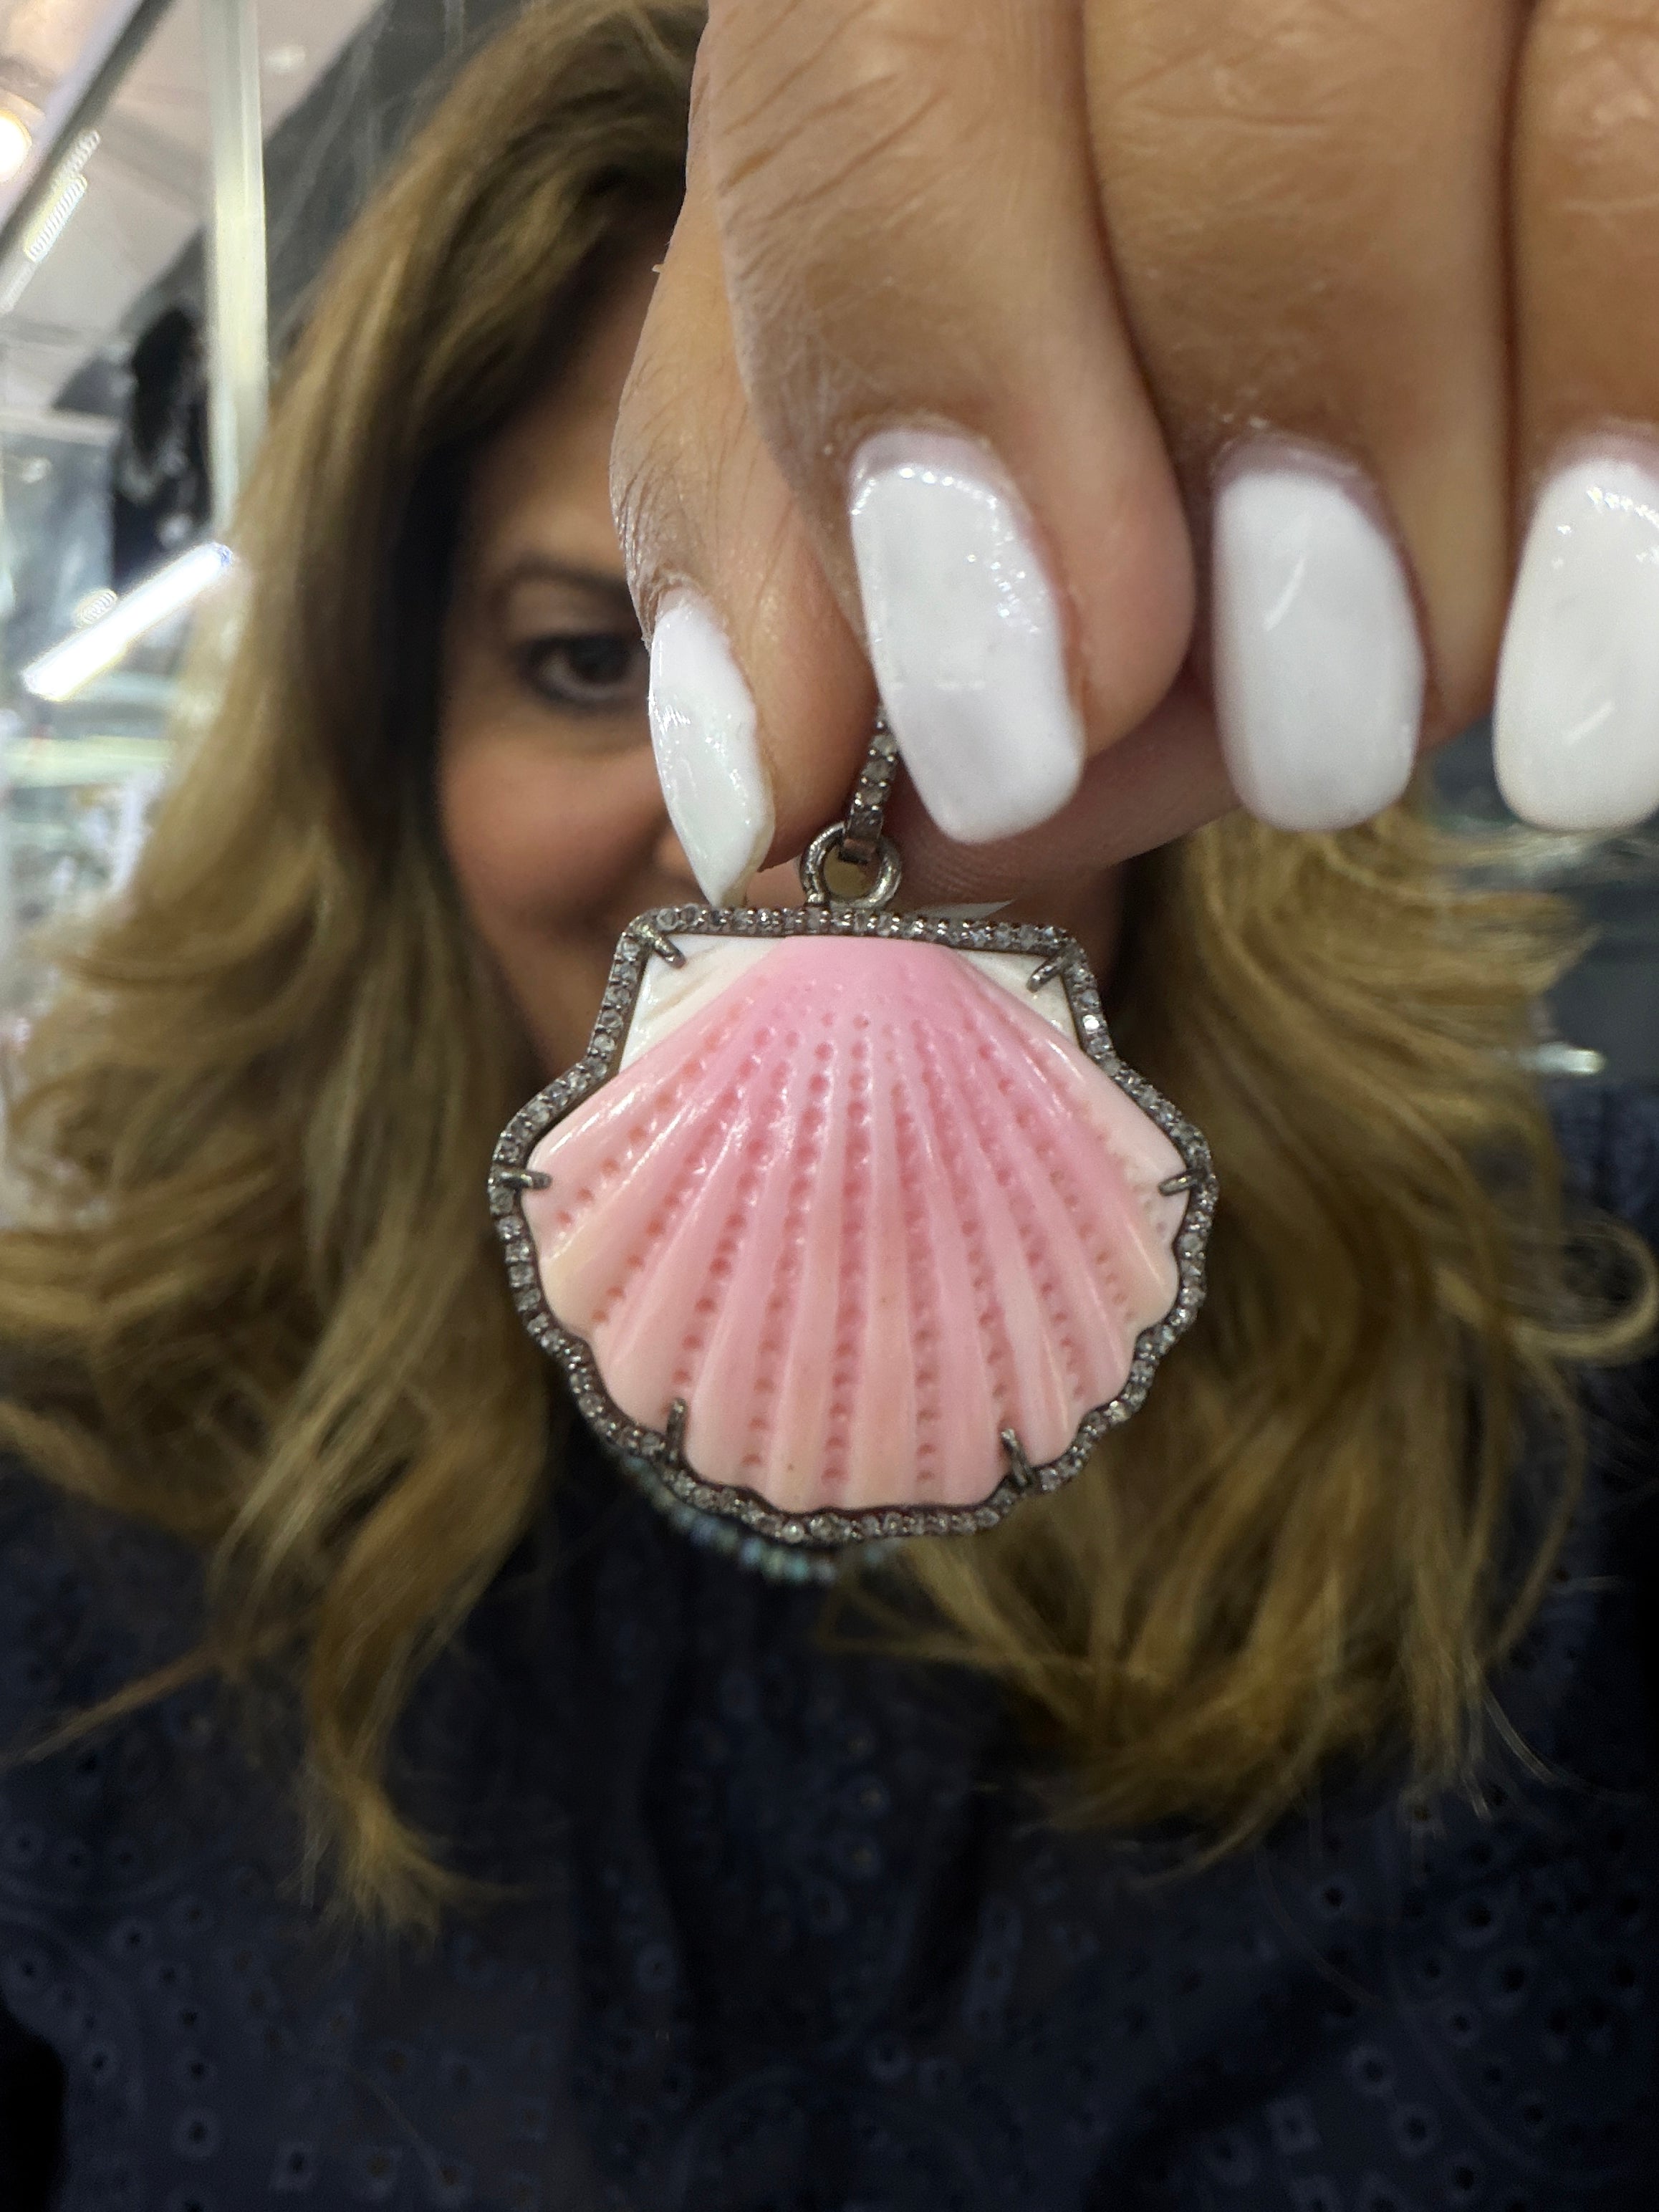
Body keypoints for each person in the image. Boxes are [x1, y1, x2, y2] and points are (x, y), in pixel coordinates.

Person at [0, 0, 1655, 2205]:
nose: (778, 834)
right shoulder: (69, 1513)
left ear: (1196, 710)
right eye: (592, 659)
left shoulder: (1574, 1368)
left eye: (928, 673)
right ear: (379, 757)